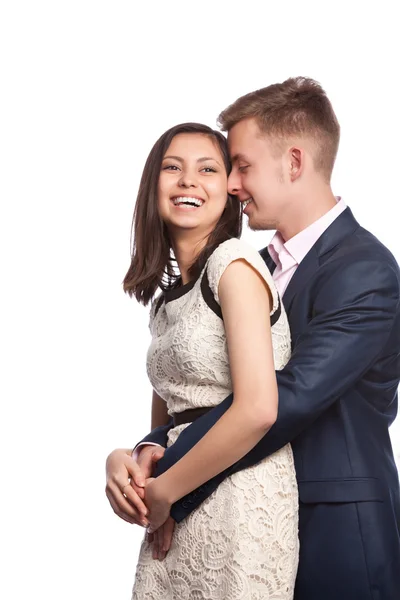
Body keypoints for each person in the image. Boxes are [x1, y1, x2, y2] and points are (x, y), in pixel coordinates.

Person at [106, 77, 400, 600]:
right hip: (233, 510)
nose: (233, 185)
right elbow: (202, 393)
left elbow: (285, 397)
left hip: (332, 528)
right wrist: (147, 447)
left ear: (293, 162)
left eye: (240, 166)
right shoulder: (250, 266)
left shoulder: (365, 270)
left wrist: (166, 485)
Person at [113, 121, 299, 599]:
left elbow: (259, 409)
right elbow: (167, 425)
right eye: (172, 167)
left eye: (208, 169)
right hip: (176, 501)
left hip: (238, 496)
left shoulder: (232, 263)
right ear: (152, 184)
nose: (188, 180)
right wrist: (129, 460)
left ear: (230, 192)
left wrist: (165, 491)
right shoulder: (164, 304)